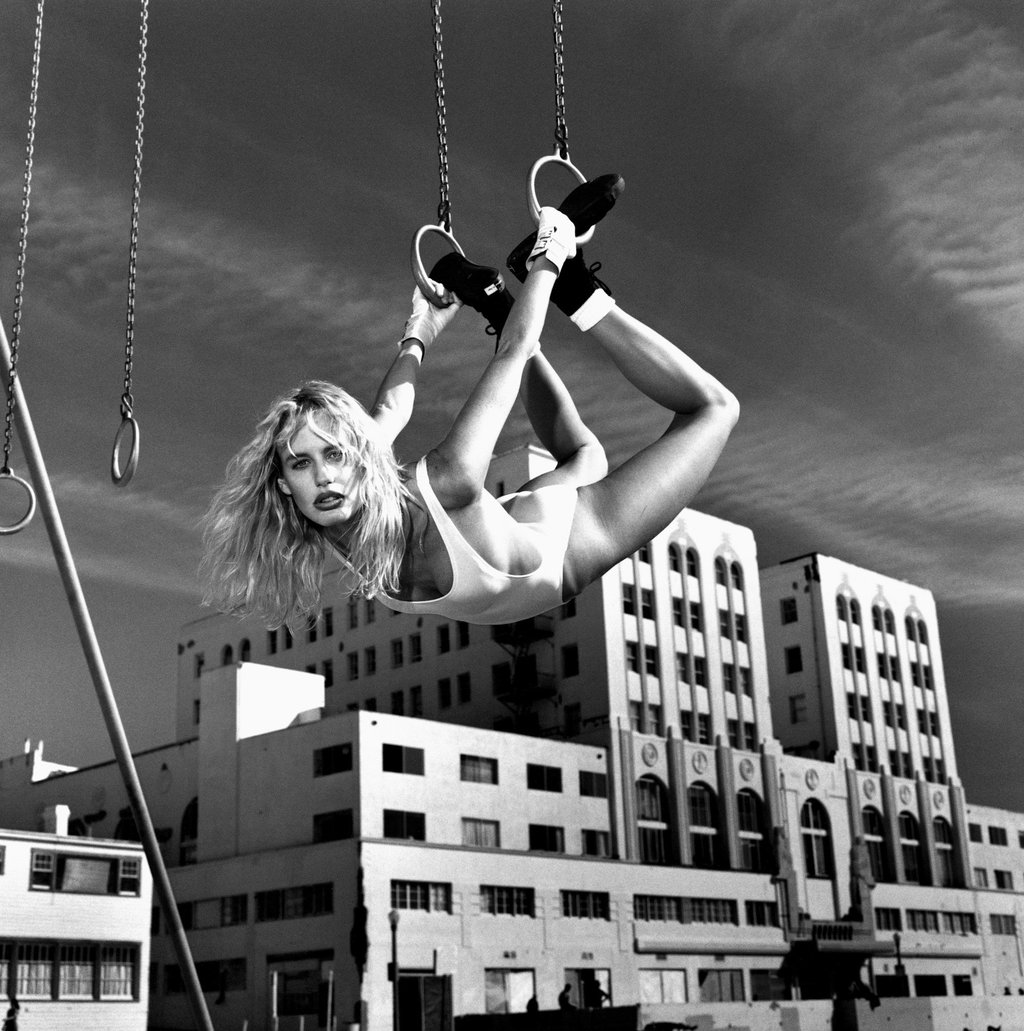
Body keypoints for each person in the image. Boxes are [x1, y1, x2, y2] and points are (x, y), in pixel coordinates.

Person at [201, 175, 739, 629]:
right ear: (282, 485)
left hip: (566, 547)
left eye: (335, 455)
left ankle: (566, 287)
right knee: (585, 456)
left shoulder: (447, 478)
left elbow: (515, 353)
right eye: (302, 463)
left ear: (358, 457)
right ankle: (536, 295)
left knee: (714, 410)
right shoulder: (354, 482)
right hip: (508, 533)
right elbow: (390, 412)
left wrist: (552, 247)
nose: (324, 477)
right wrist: (420, 330)